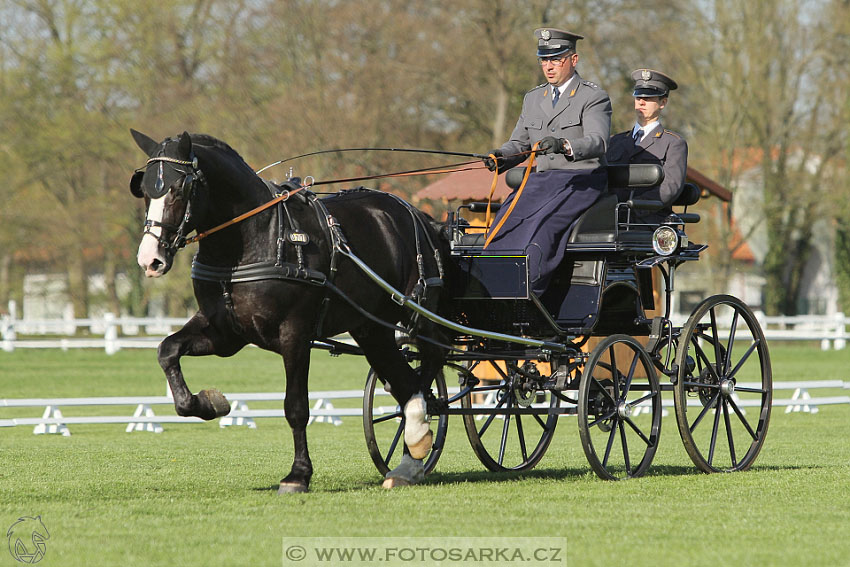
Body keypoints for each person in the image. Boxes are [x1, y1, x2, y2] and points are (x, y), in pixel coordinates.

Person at [482, 28, 611, 296]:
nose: (548, 66)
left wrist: (564, 145)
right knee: (503, 228)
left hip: (580, 181)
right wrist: (498, 157)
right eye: (543, 60)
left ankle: (528, 297)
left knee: (541, 230)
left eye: (556, 59)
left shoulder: (592, 97)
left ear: (573, 60)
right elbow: (518, 144)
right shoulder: (532, 99)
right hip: (541, 183)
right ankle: (491, 296)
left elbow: (598, 142)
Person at [606, 69, 688, 223]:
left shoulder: (673, 143)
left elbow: (670, 188)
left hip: (649, 222)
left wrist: (633, 210)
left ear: (663, 103)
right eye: (638, 97)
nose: (641, 102)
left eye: (648, 98)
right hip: (610, 220)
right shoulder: (615, 141)